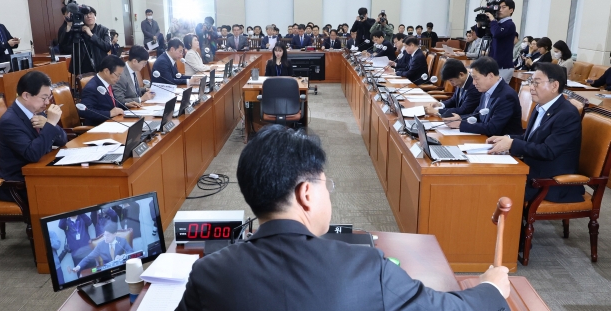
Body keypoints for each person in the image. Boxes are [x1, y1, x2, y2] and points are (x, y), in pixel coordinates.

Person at [175, 124, 511, 311]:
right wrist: (491, 288)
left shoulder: (209, 271)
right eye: (326, 184)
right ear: (306, 194)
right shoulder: (365, 267)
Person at [487, 63, 584, 203]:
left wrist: (512, 144)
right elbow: (531, 138)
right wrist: (506, 138)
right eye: (531, 82)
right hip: (533, 171)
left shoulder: (567, 114)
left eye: (536, 83)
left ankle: (510, 224)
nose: (531, 87)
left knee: (495, 189)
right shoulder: (540, 107)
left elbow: (548, 150)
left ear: (554, 86)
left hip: (550, 182)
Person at [0, 71, 67, 202]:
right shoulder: (9, 121)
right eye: (43, 98)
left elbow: (63, 139)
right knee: (69, 190)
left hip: (41, 172)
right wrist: (50, 123)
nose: (47, 103)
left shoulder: (37, 111)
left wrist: (49, 124)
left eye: (49, 98)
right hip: (19, 184)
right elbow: (32, 154)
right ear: (26, 95)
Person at [443, 56, 522, 137]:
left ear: (490, 76)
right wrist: (460, 118)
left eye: (476, 78)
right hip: (485, 138)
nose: (473, 83)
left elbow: (493, 128)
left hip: (501, 144)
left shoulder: (507, 96)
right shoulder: (486, 89)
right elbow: (477, 114)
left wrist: (460, 124)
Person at [473, 0, 517, 83]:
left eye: (503, 7)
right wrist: (479, 23)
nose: (500, 9)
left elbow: (497, 33)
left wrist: (493, 20)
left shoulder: (509, 24)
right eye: (499, 7)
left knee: (498, 92)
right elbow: (480, 34)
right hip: (493, 64)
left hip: (503, 66)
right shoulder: (497, 24)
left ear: (511, 10)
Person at [60, 5, 111, 74]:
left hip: (99, 66)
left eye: (91, 14)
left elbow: (107, 47)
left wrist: (91, 35)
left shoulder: (103, 30)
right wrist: (69, 26)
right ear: (81, 17)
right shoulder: (77, 30)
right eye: (86, 14)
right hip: (82, 68)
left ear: (95, 16)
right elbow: (64, 46)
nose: (89, 16)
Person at [78, 55, 127, 126]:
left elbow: (109, 104)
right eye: (117, 75)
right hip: (99, 127)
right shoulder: (92, 88)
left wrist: (125, 104)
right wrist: (110, 113)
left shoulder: (106, 82)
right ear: (106, 71)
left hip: (113, 123)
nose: (118, 78)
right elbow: (84, 111)